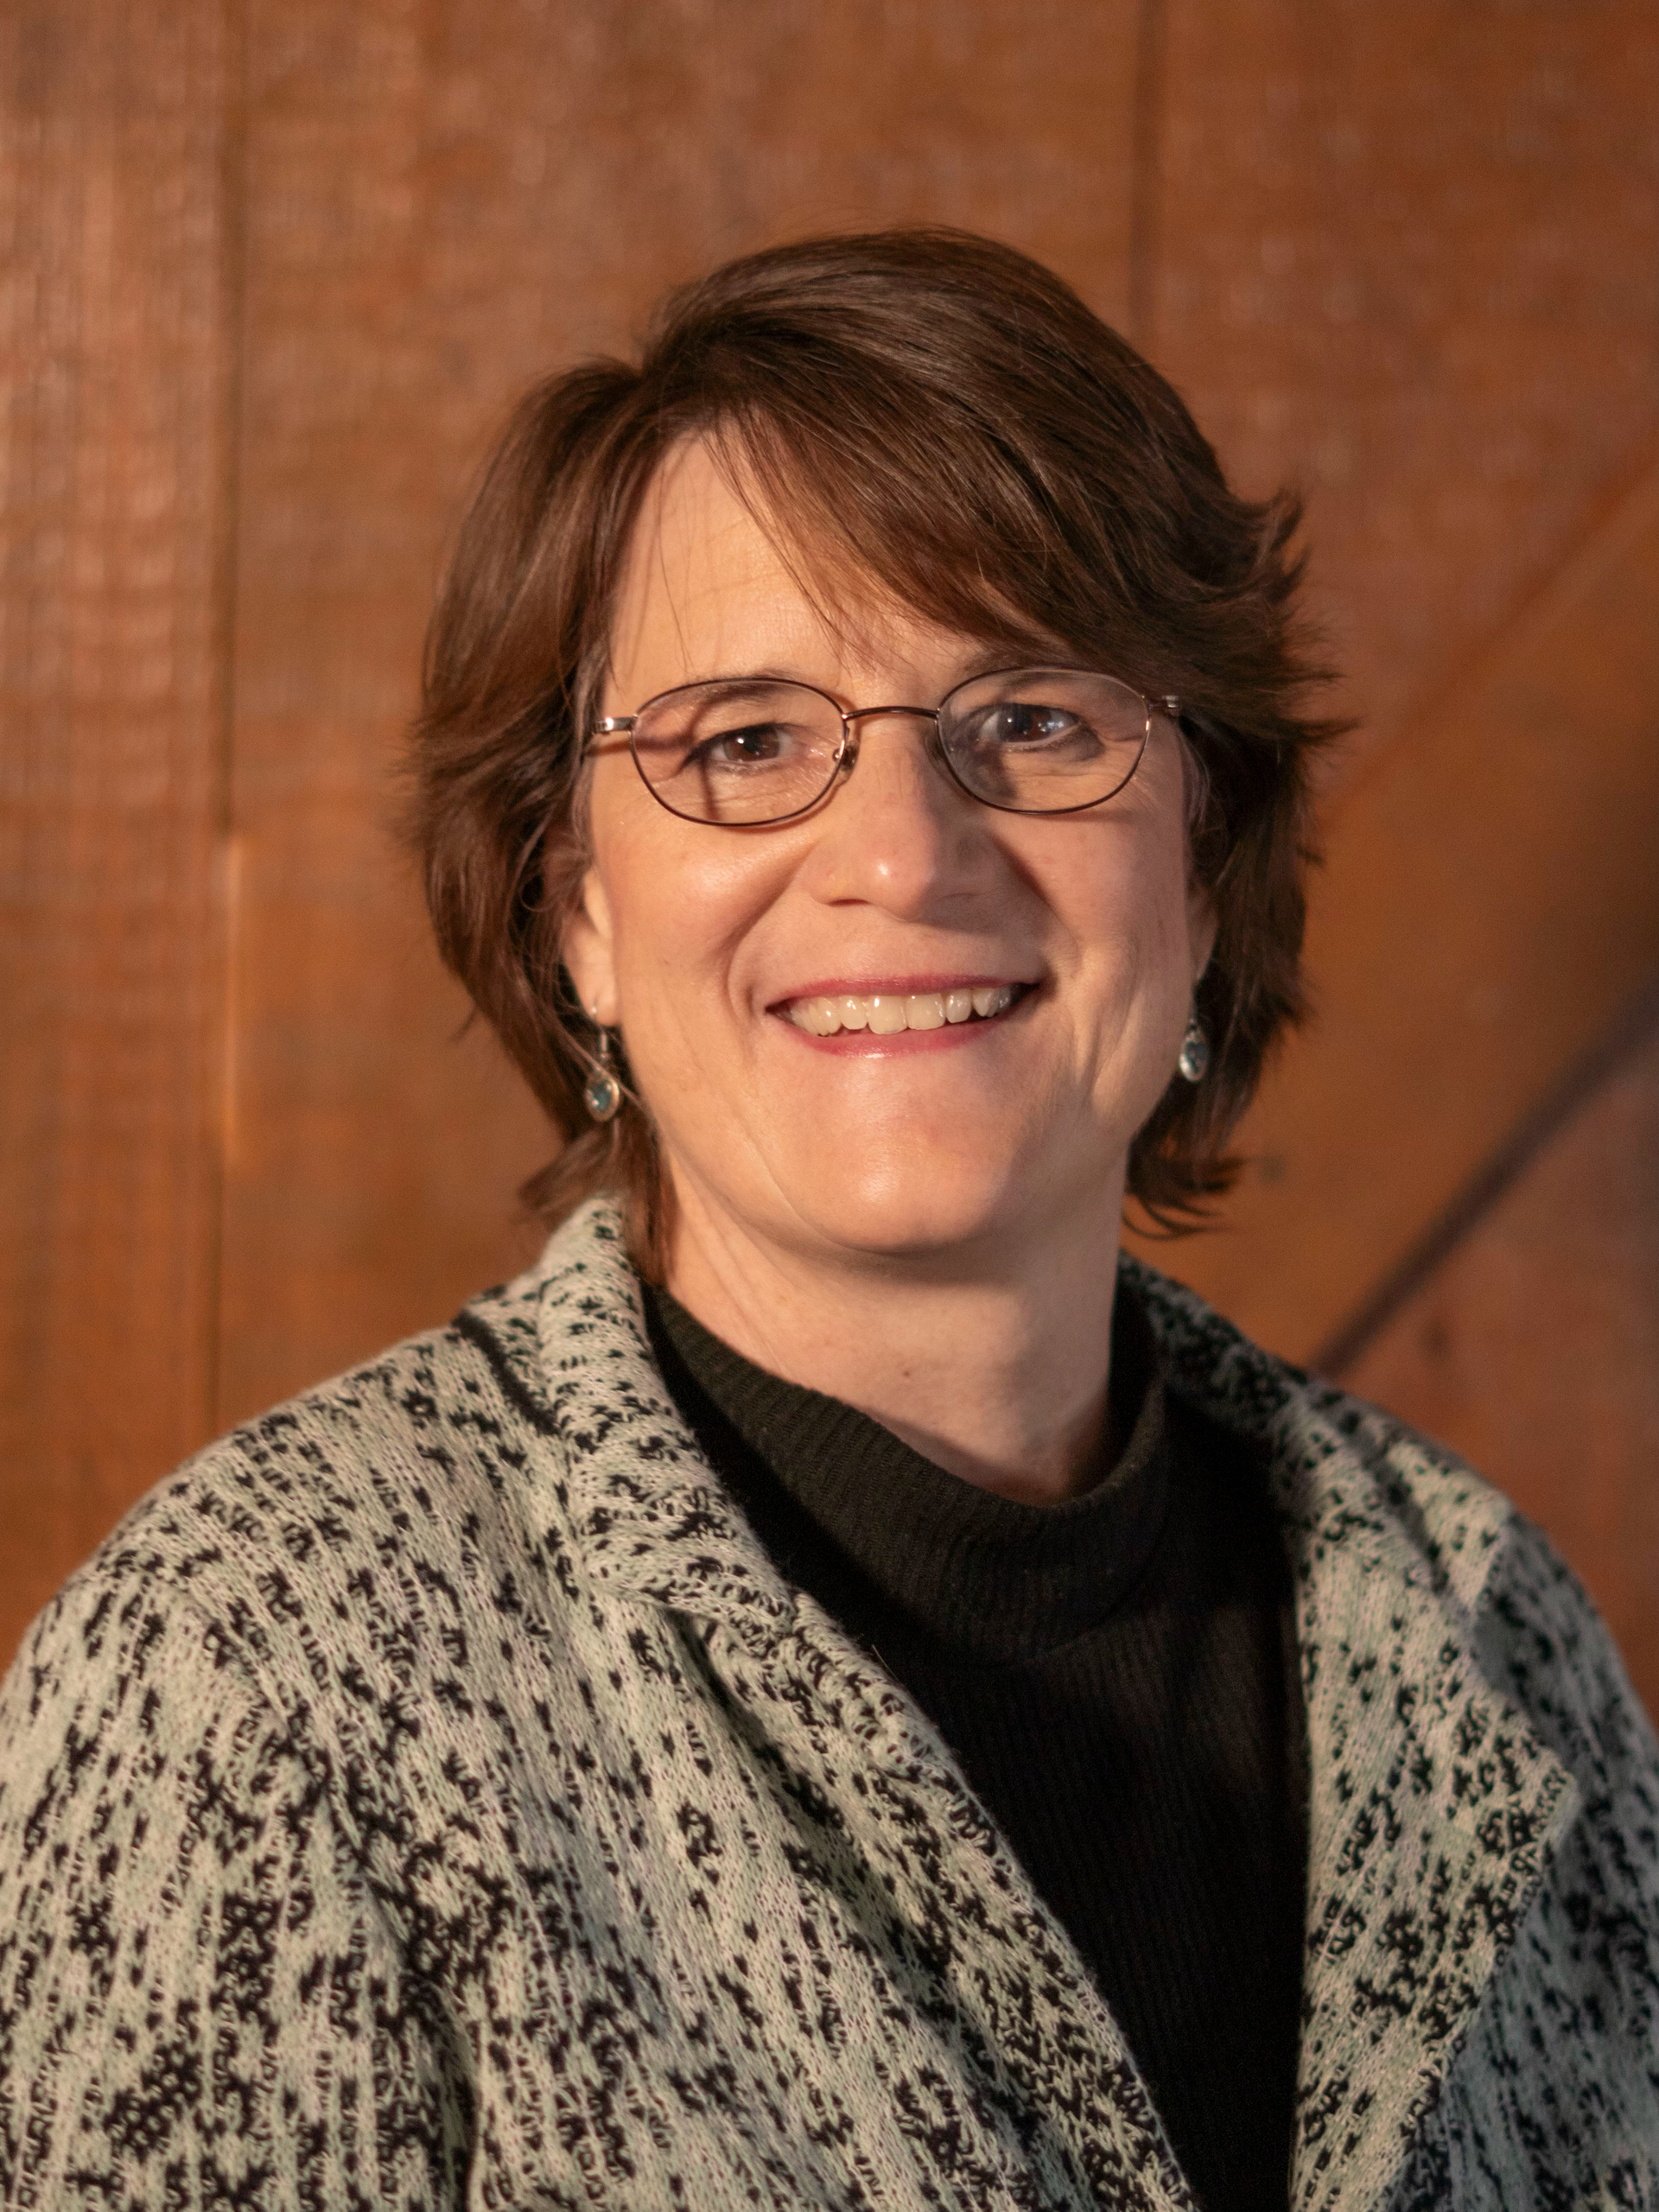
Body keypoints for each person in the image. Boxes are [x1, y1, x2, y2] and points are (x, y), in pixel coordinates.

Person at [1, 230, 1655, 2212]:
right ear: (575, 907)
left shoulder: (1490, 1638)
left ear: (1202, 871)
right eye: (745, 741)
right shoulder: (261, 1669)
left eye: (1032, 718)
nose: (899, 851)